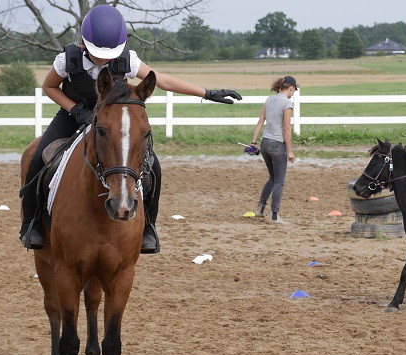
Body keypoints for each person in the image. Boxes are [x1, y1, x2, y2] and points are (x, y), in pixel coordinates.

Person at [19, 4, 242, 252]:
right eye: (97, 53)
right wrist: (76, 110)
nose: (104, 58)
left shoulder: (127, 59)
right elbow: (49, 87)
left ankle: (149, 228)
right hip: (74, 115)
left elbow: (164, 80)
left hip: (115, 120)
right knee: (38, 157)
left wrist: (208, 93)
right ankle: (32, 223)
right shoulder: (67, 60)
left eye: (108, 53)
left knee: (153, 165)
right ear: (84, 43)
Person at [249, 75, 297, 224]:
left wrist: (253, 142)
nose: (293, 94)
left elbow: (260, 121)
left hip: (265, 143)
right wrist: (289, 150)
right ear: (291, 88)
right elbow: (286, 128)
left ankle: (260, 209)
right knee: (279, 181)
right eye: (293, 91)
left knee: (272, 177)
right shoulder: (287, 103)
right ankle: (274, 215)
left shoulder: (269, 99)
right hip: (277, 144)